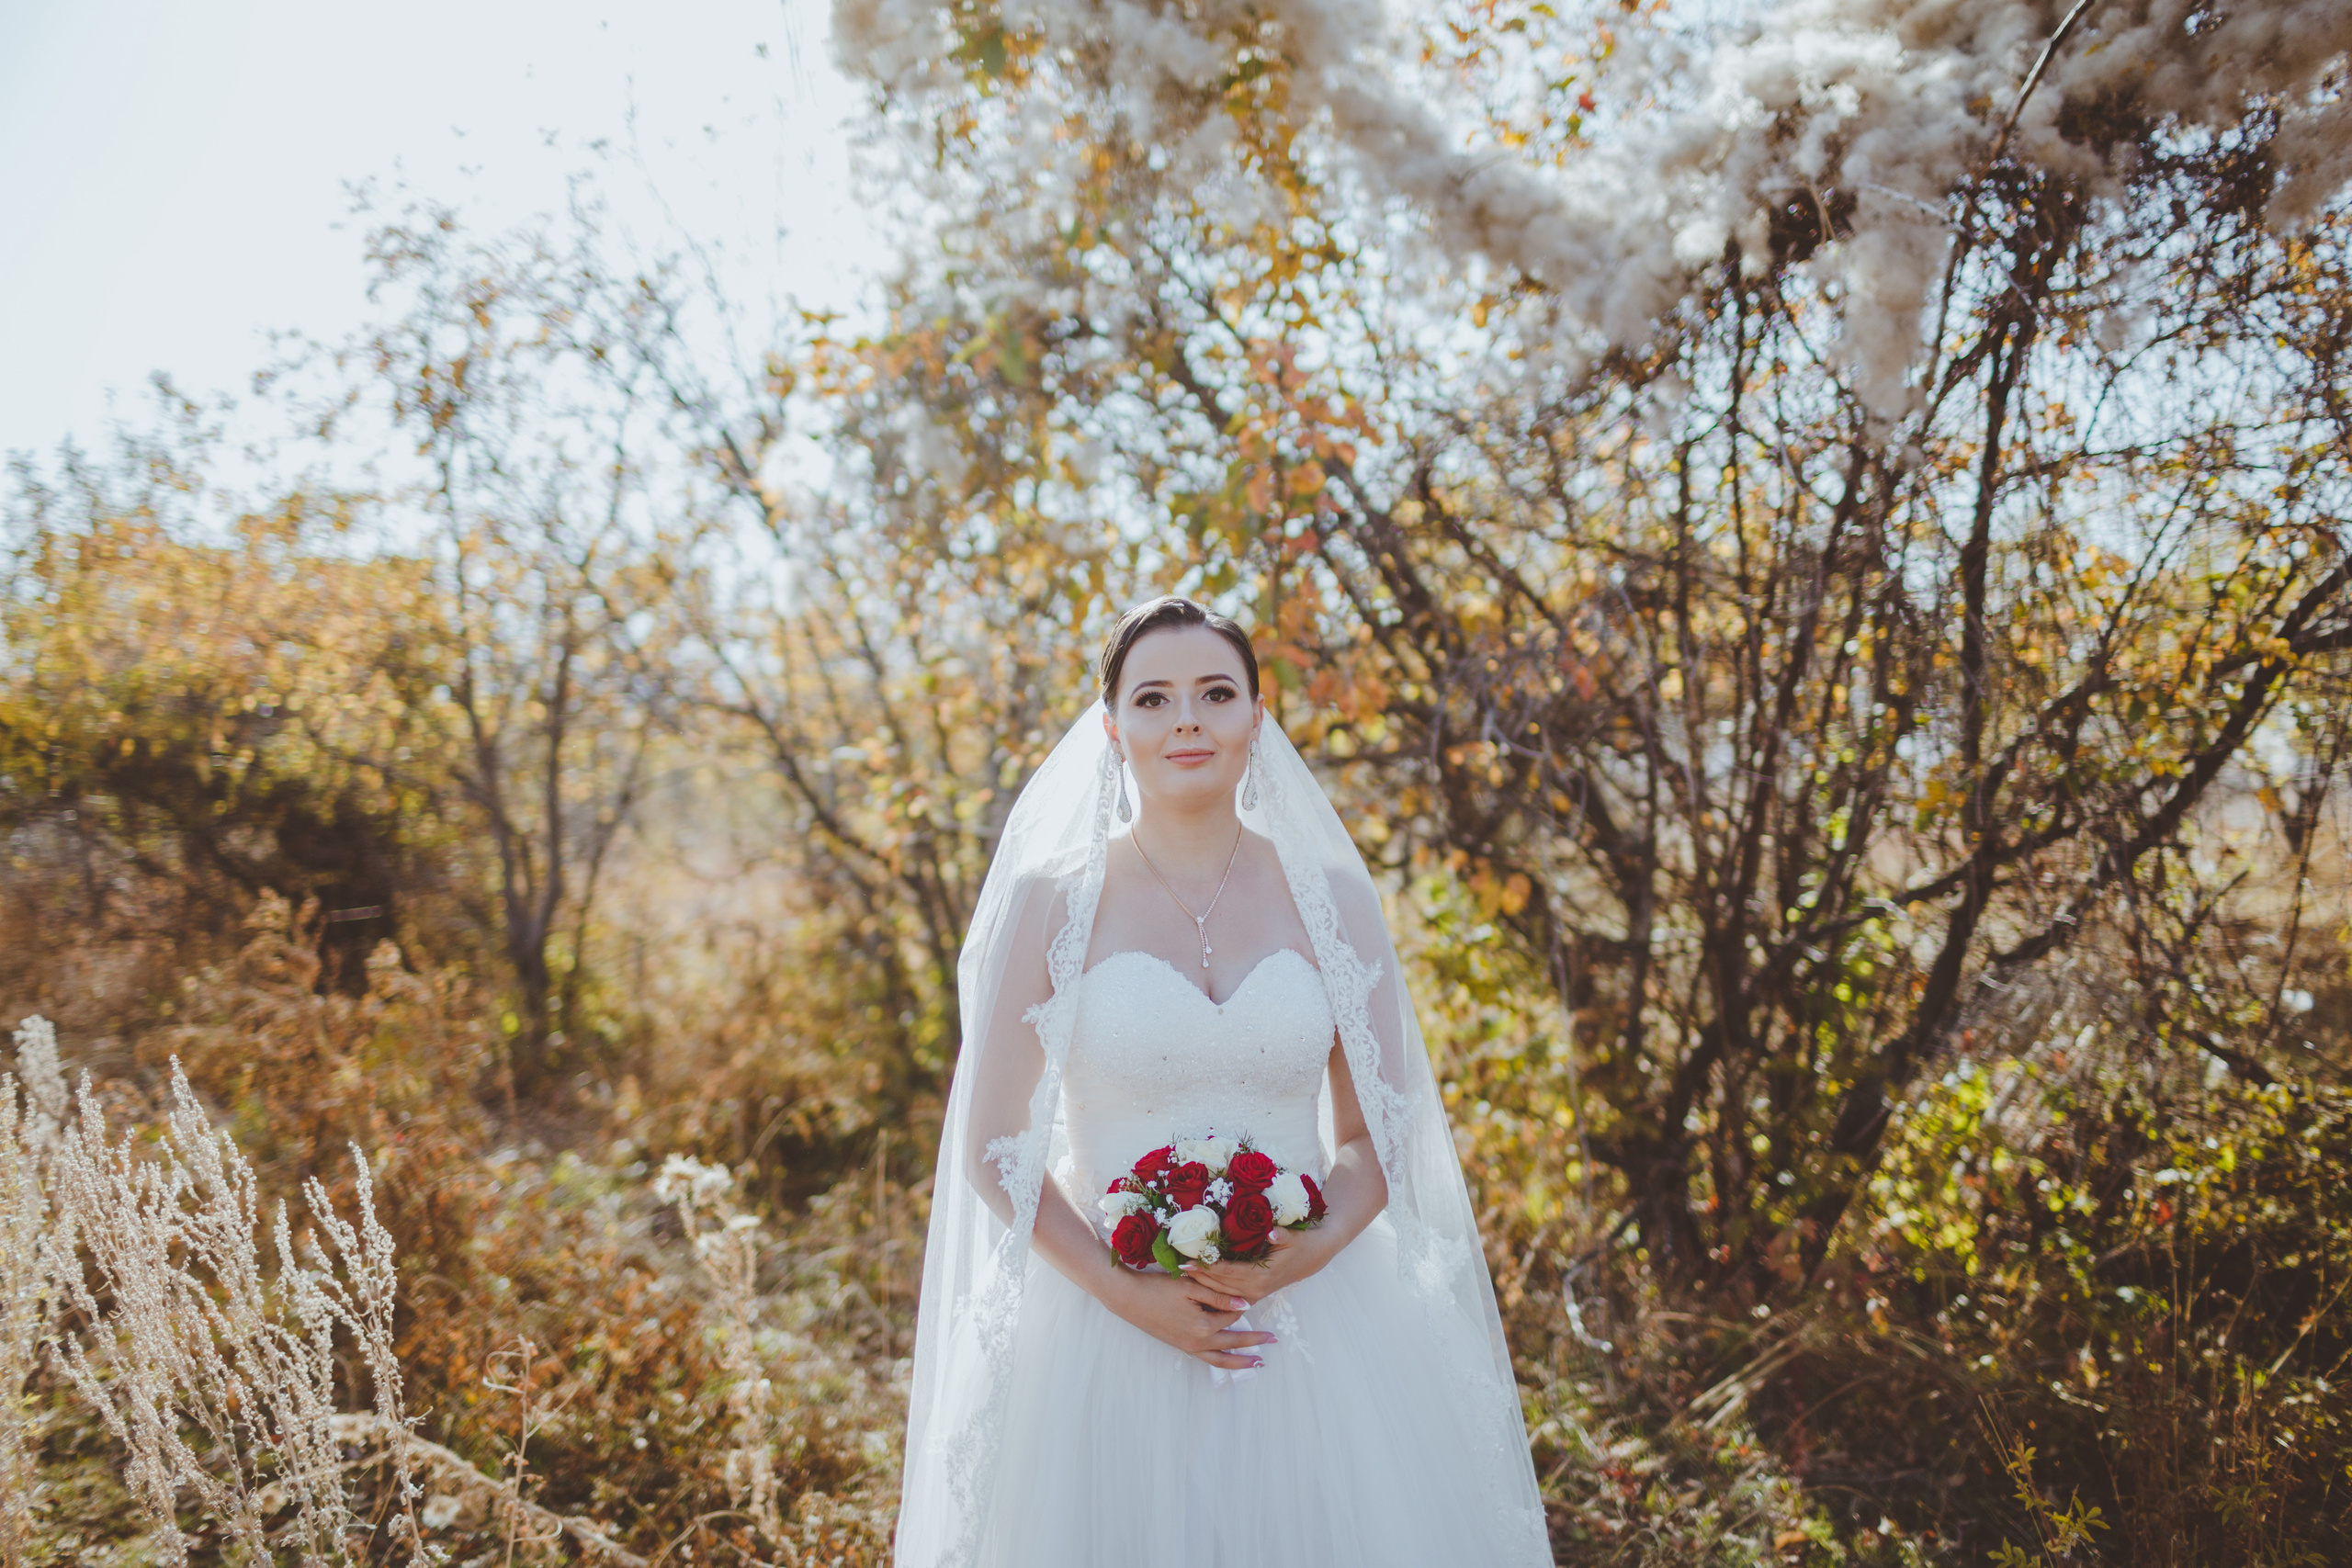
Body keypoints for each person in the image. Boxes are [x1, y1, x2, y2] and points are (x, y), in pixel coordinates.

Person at [894, 596, 1551, 1568]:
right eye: (1154, 699)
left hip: (1313, 1316)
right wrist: (1133, 1300)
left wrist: (1292, 1260)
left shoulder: (1332, 898)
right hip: (1099, 1316)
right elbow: (993, 1148)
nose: (1187, 720)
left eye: (1215, 693)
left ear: (1256, 715)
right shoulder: (1050, 905)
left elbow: (1376, 1142)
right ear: (1113, 729)